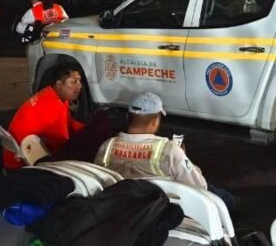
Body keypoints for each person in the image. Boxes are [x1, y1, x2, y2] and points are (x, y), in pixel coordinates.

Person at [95, 92, 237, 215]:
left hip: (119, 206)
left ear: (128, 117)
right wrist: (184, 158)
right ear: (155, 120)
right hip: (162, 210)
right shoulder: (169, 150)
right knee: (224, 197)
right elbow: (199, 185)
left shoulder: (107, 146)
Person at [4, 63, 85, 170]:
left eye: (79, 81)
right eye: (73, 82)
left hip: (26, 151)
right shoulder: (52, 109)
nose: (79, 86)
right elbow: (63, 147)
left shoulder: (52, 93)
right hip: (19, 165)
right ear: (59, 84)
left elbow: (69, 123)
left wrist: (88, 129)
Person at [16, 0, 68, 67]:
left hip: (42, 38)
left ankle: (30, 46)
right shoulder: (59, 7)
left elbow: (23, 21)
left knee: (19, 27)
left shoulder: (33, 10)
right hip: (59, 37)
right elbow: (66, 19)